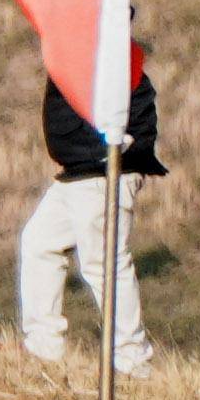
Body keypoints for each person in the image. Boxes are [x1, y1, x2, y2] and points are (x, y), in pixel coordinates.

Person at [18, 41, 164, 373]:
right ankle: (43, 346)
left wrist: (116, 153)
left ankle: (131, 358)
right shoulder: (79, 55)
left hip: (103, 174)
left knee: (105, 263)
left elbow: (139, 122)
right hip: (77, 174)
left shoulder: (115, 61)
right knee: (40, 243)